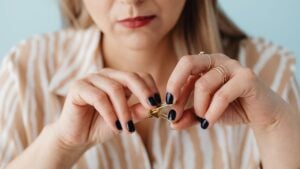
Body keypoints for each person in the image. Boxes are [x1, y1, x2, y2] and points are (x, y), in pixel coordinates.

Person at [0, 0, 299, 168]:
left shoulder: (269, 72)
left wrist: (275, 126)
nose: (132, 2)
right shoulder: (25, 69)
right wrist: (62, 145)